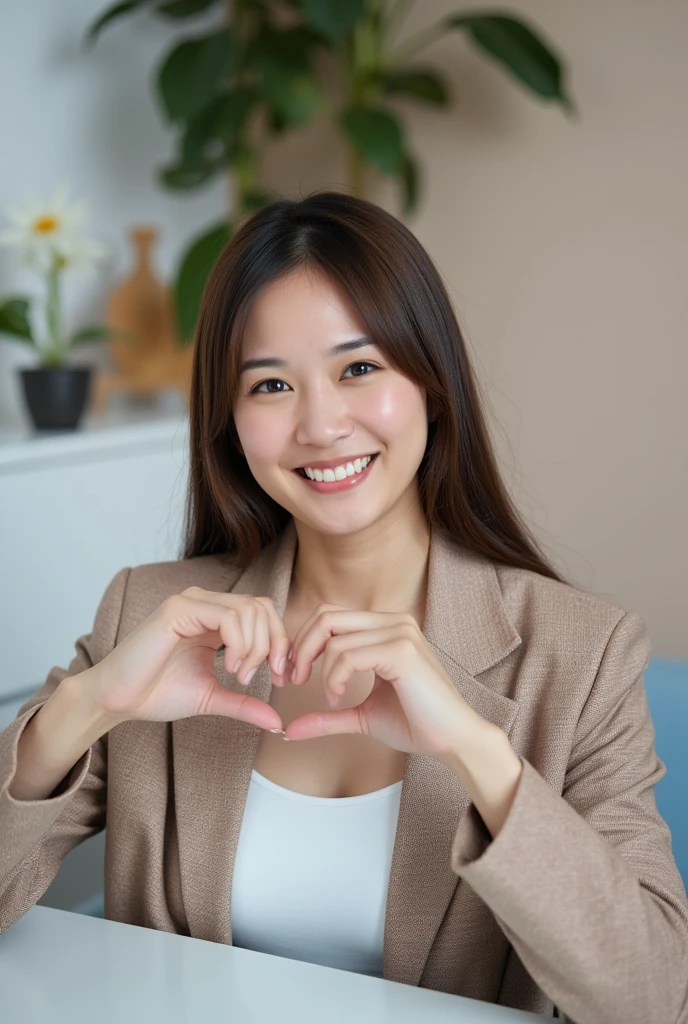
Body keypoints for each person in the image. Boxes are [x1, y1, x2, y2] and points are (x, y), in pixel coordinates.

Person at [1, 191, 687, 1023]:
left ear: (431, 386)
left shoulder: (583, 654)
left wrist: (476, 752)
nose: (321, 425)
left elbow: (651, 999)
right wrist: (88, 703)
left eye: (359, 368)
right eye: (270, 384)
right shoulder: (150, 613)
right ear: (231, 421)